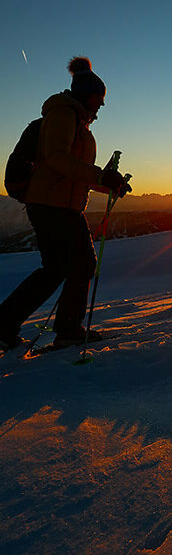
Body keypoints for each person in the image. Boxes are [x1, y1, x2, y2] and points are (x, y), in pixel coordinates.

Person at [0, 57, 131, 351]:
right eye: (99, 99)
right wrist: (101, 175)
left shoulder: (77, 121)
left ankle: (5, 324)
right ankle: (68, 329)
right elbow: (58, 160)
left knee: (57, 268)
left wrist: (108, 183)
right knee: (81, 264)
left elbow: (74, 173)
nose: (101, 106)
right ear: (86, 94)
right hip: (52, 204)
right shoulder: (63, 114)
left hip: (57, 203)